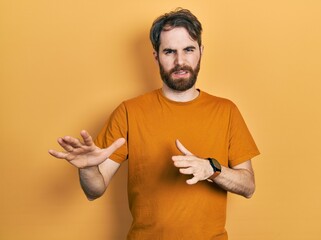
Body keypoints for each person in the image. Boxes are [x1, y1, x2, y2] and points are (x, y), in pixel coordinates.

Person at [49, 8, 260, 240]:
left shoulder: (226, 110)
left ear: (201, 51)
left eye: (188, 50)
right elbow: (94, 190)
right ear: (156, 56)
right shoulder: (129, 112)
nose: (180, 61)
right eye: (169, 51)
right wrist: (88, 168)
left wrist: (212, 169)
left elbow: (248, 186)